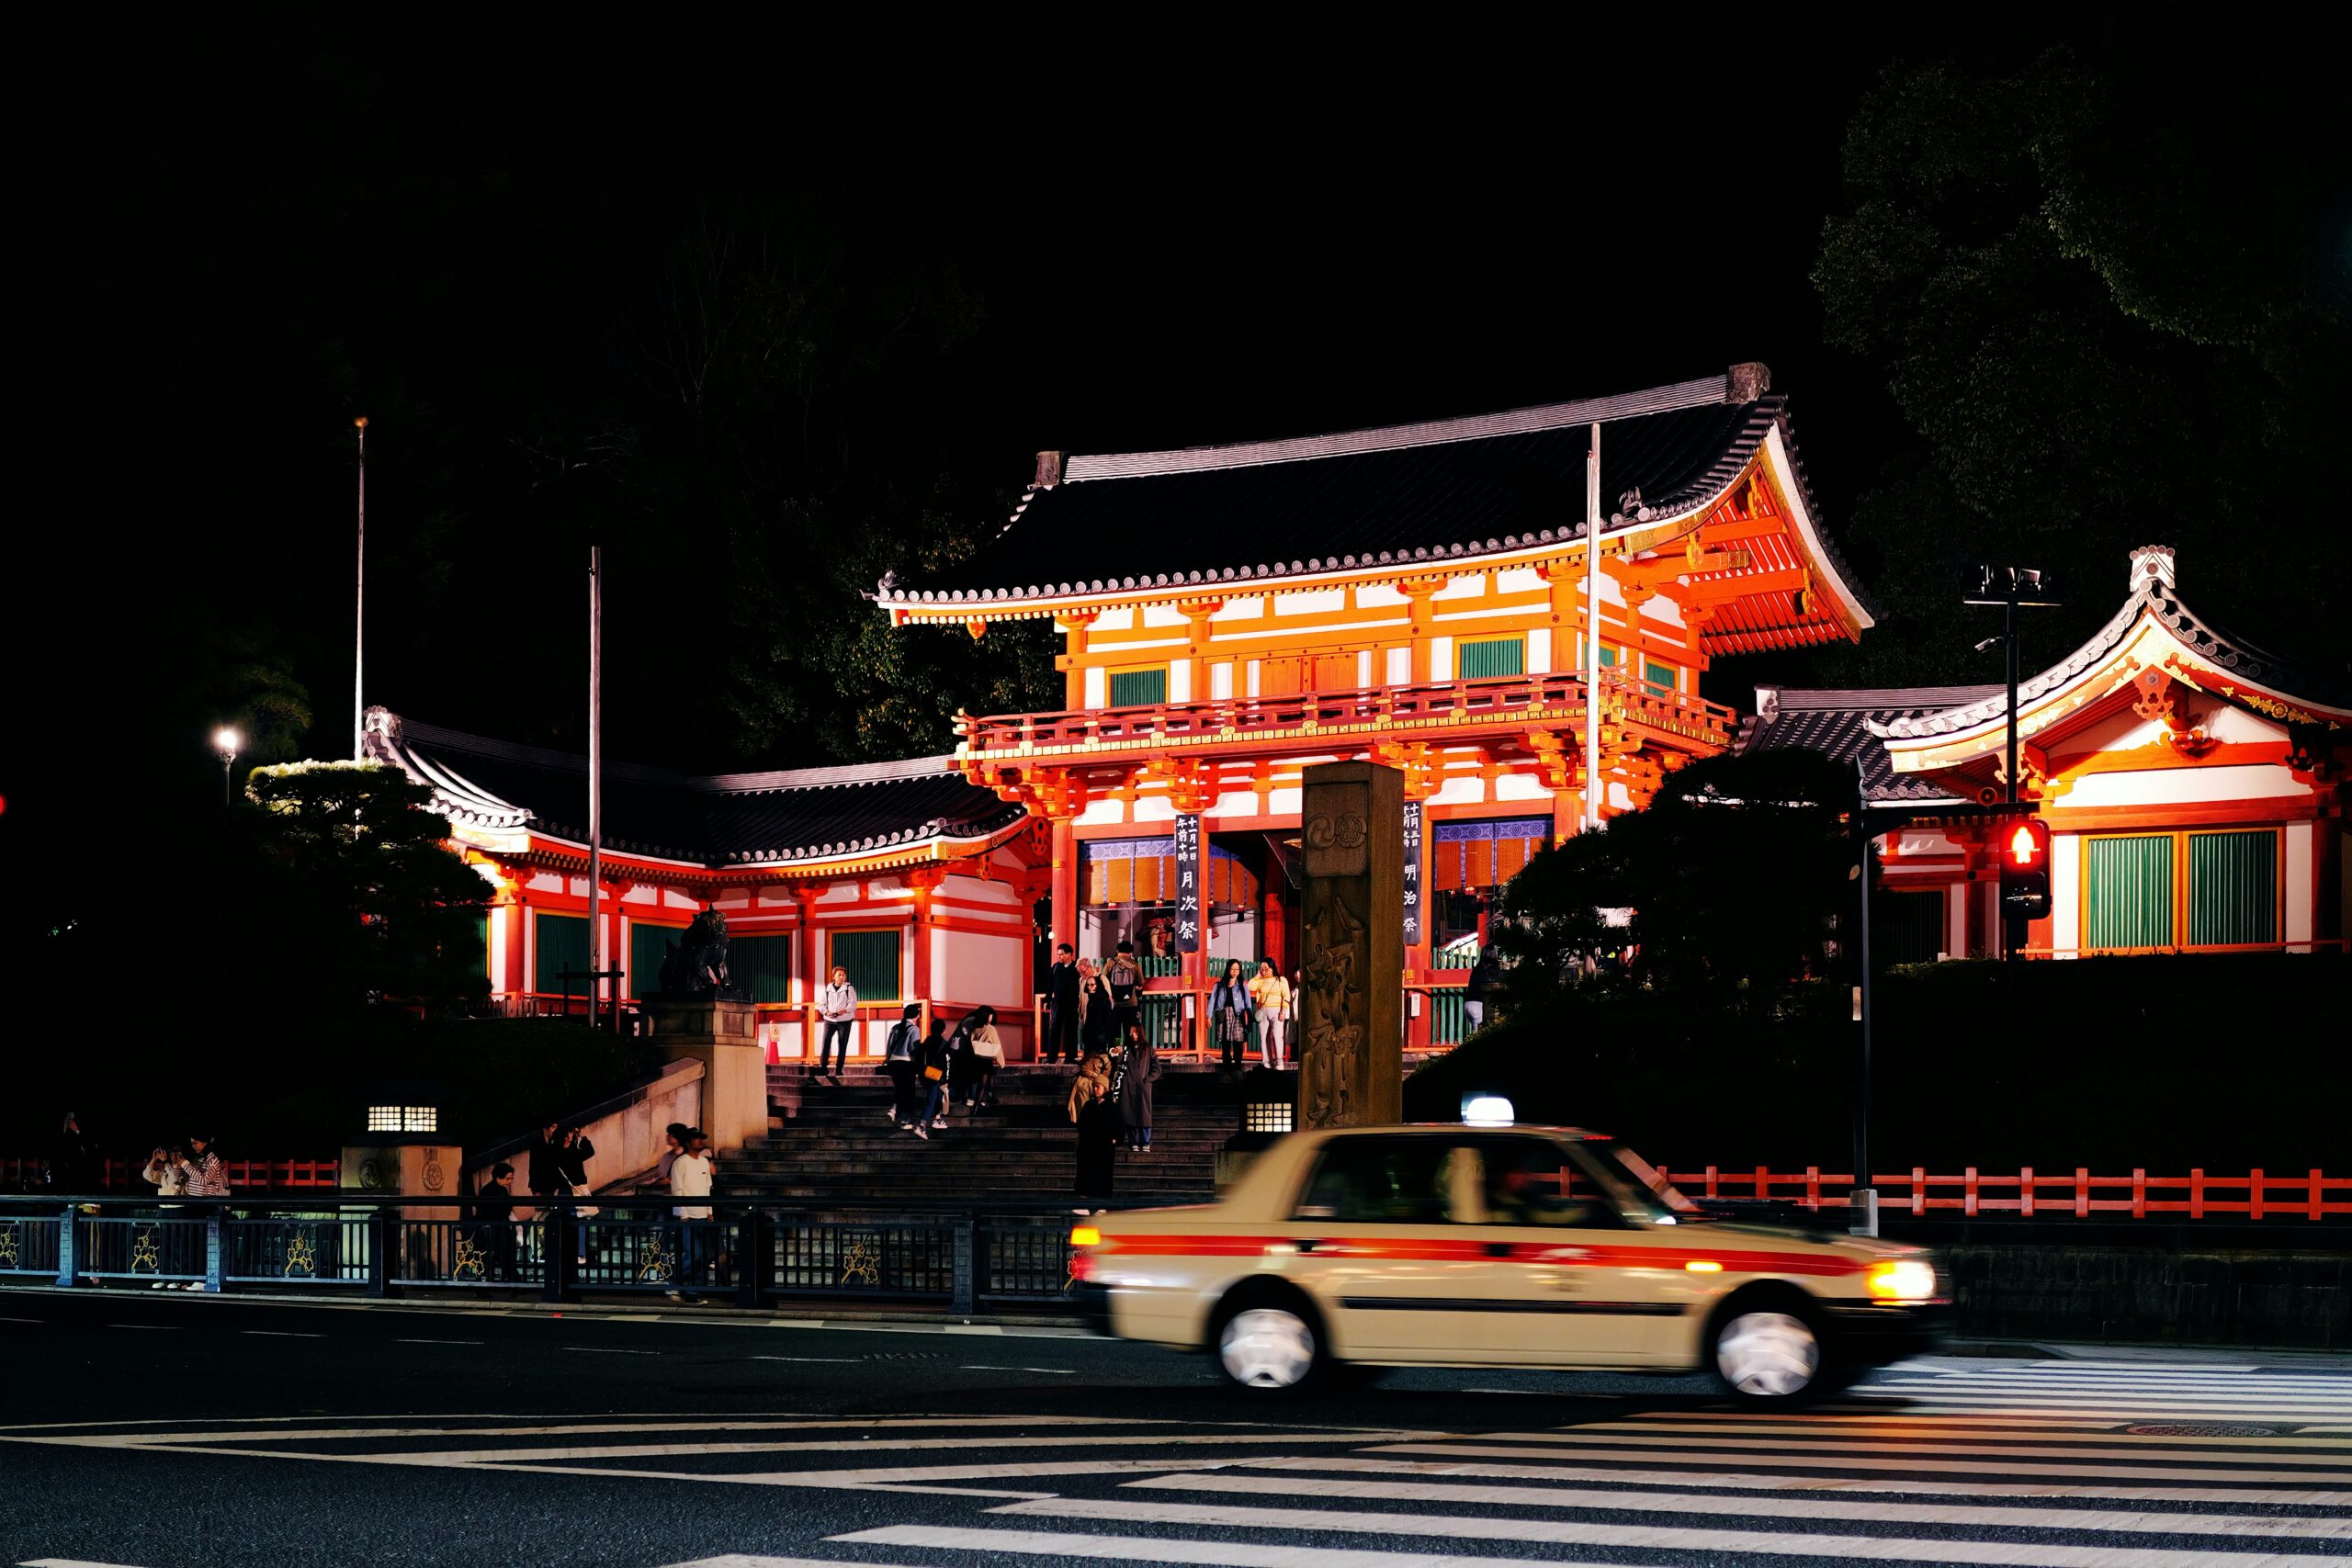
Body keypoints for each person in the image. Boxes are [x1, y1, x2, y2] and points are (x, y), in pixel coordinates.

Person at [667, 1129, 715, 1299]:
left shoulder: (703, 1162)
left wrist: (709, 1210)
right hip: (688, 1216)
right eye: (696, 1139)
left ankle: (694, 1288)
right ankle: (677, 1283)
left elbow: (706, 1187)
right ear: (688, 1143)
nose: (700, 1142)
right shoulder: (681, 1162)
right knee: (695, 1252)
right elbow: (677, 1190)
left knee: (702, 1254)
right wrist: (683, 1213)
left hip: (701, 1214)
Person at [1068, 1054, 1118, 1202]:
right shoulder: (1089, 1105)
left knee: (1103, 1174)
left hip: (1104, 1146)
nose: (1096, 1089)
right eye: (1095, 1086)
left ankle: (1102, 1203)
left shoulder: (1111, 1107)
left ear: (1105, 1089)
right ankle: (1083, 1201)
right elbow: (1082, 1125)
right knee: (1085, 1173)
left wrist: (1114, 1139)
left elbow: (1117, 1125)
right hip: (1088, 1145)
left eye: (1099, 1087)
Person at [1118, 1021, 1159, 1154]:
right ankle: (1133, 1141)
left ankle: (1145, 1141)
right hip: (1128, 1085)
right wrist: (1115, 1053)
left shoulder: (1148, 1050)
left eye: (1135, 1032)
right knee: (1128, 1113)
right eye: (1130, 1032)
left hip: (1143, 1086)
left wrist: (1147, 1080)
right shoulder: (1125, 1049)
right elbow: (1118, 1065)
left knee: (1144, 1115)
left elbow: (1157, 1069)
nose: (1132, 1035)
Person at [474, 1162, 518, 1282]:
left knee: (503, 1254)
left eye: (511, 1178)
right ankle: (510, 1280)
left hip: (499, 1227)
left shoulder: (497, 1189)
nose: (510, 1181)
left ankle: (510, 1279)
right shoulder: (491, 1190)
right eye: (507, 1178)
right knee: (494, 1256)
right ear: (499, 1176)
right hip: (494, 1228)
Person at [1209, 959, 1254, 1077]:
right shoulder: (1219, 985)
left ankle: (1238, 1068)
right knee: (1225, 1043)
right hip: (1224, 1015)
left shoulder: (1243, 985)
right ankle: (1227, 1070)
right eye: (1232, 969)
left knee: (1238, 1042)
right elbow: (1212, 1001)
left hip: (1238, 1015)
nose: (1234, 971)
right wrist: (1208, 1016)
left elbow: (1248, 1003)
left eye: (1237, 969)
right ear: (1228, 969)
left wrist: (1249, 1018)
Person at [882, 1004, 922, 1129]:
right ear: (917, 1016)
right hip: (907, 1062)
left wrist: (888, 1061)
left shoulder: (895, 1027)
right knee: (908, 1092)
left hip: (894, 1062)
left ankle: (893, 1110)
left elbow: (889, 1046)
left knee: (900, 1089)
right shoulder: (914, 1029)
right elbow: (913, 1048)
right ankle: (905, 1120)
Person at [814, 965, 857, 1083]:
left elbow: (853, 1005)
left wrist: (840, 1012)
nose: (842, 977)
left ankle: (839, 1069)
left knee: (842, 1044)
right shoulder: (827, 989)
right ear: (833, 977)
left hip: (845, 1021)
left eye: (843, 975)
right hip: (830, 1020)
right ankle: (823, 1067)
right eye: (839, 975)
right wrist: (828, 1012)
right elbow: (821, 1005)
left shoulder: (849, 988)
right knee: (826, 1042)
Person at [1247, 960, 1293, 1069]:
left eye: (1266, 968)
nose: (1264, 971)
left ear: (1272, 968)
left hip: (1276, 1009)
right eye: (1262, 968)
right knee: (1264, 1037)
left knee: (1277, 1036)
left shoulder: (1281, 980)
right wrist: (1257, 976)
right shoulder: (1261, 980)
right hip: (1263, 1010)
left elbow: (1286, 995)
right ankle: (1267, 1061)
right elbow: (1250, 987)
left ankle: (1279, 1062)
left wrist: (1283, 1010)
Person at [912, 1015, 952, 1137]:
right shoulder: (944, 1045)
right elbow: (947, 1062)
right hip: (936, 1076)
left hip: (925, 1074)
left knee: (938, 1096)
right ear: (943, 1031)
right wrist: (947, 1078)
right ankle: (921, 1125)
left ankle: (937, 1118)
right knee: (931, 1100)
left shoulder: (925, 1042)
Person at [960, 1005, 1003, 1110]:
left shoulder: (974, 1027)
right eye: (990, 1016)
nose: (991, 1018)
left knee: (978, 1082)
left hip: (975, 1058)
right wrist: (1001, 1062)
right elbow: (997, 1046)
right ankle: (979, 1105)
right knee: (983, 1085)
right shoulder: (990, 1029)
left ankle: (976, 1100)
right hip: (986, 1060)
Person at [1044, 942, 1080, 1064]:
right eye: (1058, 954)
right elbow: (1050, 985)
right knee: (1054, 1029)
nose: (1059, 957)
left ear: (1069, 954)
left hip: (1072, 1003)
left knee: (1071, 1030)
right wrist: (1047, 1000)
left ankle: (1071, 1057)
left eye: (1061, 954)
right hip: (1057, 1003)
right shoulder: (1055, 967)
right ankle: (1051, 1057)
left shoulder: (1076, 968)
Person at [47, 1112, 96, 1194]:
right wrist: (65, 1129)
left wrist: (77, 1131)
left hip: (81, 1166)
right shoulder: (62, 1135)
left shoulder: (84, 1132)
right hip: (66, 1166)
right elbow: (58, 1148)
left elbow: (89, 1146)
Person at [1077, 957, 1116, 1056]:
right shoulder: (1081, 980)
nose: (1081, 974)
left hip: (1099, 1021)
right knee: (1088, 1049)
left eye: (1082, 971)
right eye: (1079, 972)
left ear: (1089, 967)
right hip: (1087, 1019)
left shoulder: (1101, 978)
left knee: (1099, 1050)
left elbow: (1110, 1000)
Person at [1104, 940, 1143, 1037]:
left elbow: (1103, 980)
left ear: (1118, 950)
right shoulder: (1134, 965)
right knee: (1130, 1033)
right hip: (1130, 1004)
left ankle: (1116, 1051)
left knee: (1114, 1033)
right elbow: (1141, 982)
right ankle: (1128, 1051)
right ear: (1131, 952)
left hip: (1114, 1004)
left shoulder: (1110, 963)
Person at [181, 1133, 230, 1200]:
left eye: (195, 1143)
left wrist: (186, 1165)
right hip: (193, 1200)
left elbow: (204, 1181)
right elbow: (184, 1178)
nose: (193, 1146)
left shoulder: (213, 1160)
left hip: (206, 1202)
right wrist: (176, 1164)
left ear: (205, 1143)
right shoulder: (197, 1159)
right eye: (192, 1144)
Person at [1464, 946, 1501, 1032]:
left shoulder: (1478, 967)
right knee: (1481, 1032)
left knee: (1476, 1031)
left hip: (1468, 1003)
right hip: (1479, 1004)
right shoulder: (1491, 968)